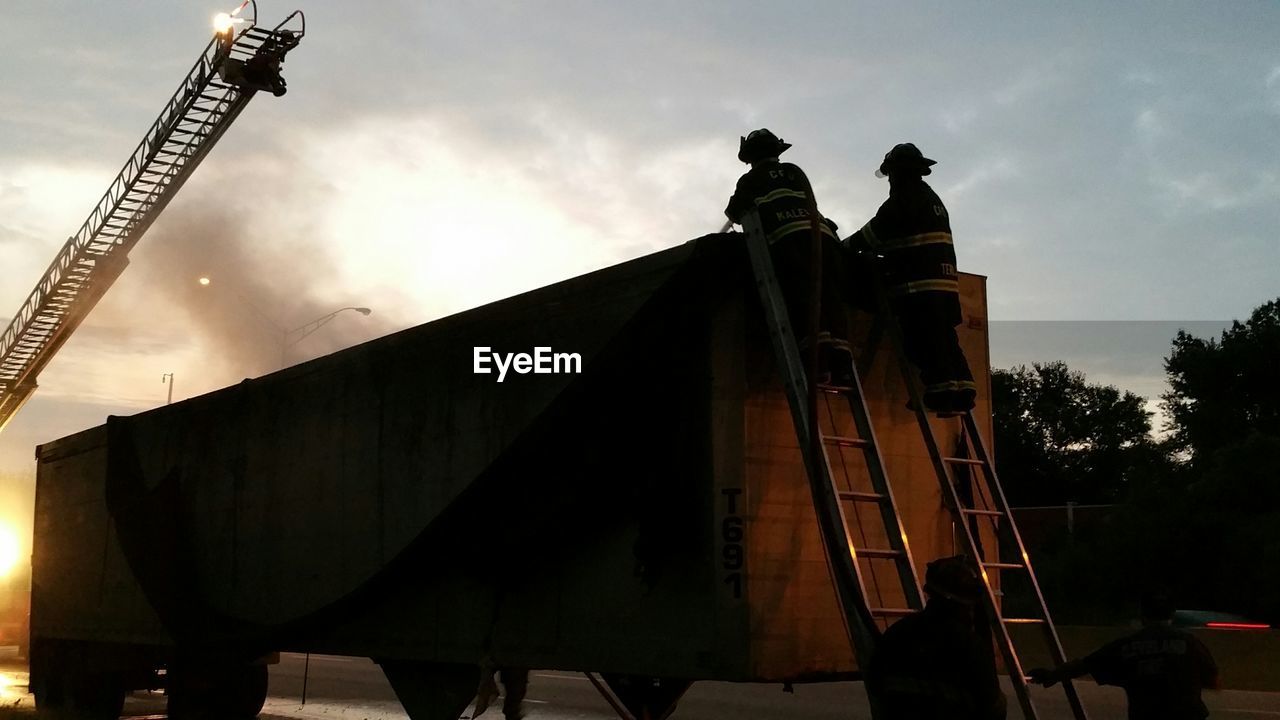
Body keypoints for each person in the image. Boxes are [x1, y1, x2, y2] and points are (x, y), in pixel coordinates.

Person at [845, 143, 977, 414]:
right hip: (944, 285)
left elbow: (873, 234)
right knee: (944, 338)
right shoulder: (931, 198)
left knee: (922, 342)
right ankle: (964, 391)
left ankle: (941, 396)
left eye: (891, 174)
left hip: (919, 285)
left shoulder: (904, 199)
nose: (890, 180)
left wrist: (842, 247)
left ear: (898, 172)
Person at [724, 128, 852, 382]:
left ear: (750, 157)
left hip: (789, 241)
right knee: (829, 297)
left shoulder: (750, 180)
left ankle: (819, 366)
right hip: (823, 241)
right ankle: (843, 367)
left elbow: (736, 211)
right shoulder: (794, 172)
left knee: (801, 297)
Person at [1029, 591, 1219, 720]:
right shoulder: (1191, 643)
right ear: (1172, 613)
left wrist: (1051, 675)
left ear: (1142, 613)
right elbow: (1212, 679)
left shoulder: (1127, 645)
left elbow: (1086, 664)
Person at [866, 555, 1006, 720]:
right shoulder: (968, 646)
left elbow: (875, 686)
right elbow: (992, 706)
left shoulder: (896, 634)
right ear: (964, 604)